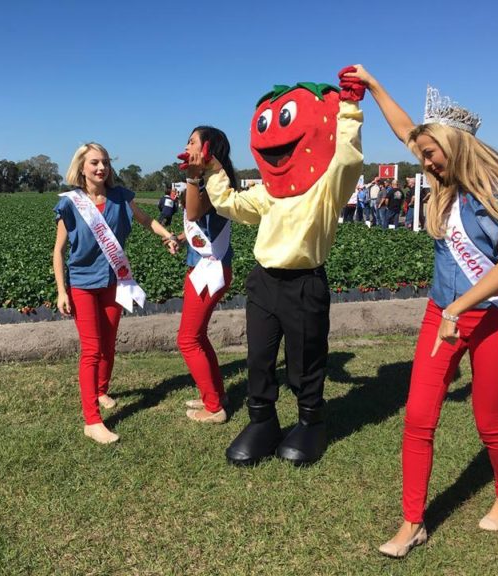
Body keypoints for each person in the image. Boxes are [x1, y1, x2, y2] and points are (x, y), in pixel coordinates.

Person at [342, 66, 498, 558]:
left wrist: (459, 306)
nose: (425, 164)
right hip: (443, 316)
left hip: (492, 317)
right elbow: (404, 126)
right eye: (423, 154)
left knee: (490, 422)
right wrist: (374, 86)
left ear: (454, 145)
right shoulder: (444, 178)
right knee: (418, 417)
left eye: (430, 154)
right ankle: (413, 522)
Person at [186, 71, 364, 467]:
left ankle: (309, 423)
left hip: (304, 282)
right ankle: (261, 421)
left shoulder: (326, 185)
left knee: (306, 361)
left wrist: (349, 109)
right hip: (264, 282)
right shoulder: (271, 190)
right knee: (259, 359)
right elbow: (232, 204)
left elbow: (348, 158)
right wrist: (212, 168)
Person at [53, 142, 178, 445]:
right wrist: (61, 291)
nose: (101, 168)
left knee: (109, 343)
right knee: (92, 349)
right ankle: (92, 420)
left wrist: (169, 236)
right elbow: (58, 251)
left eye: (105, 162)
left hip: (114, 281)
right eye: (94, 162)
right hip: (82, 284)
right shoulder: (71, 203)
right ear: (81, 167)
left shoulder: (121, 197)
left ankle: (101, 390)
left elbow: (147, 221)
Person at [175, 126, 236, 424]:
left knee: (187, 339)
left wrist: (192, 176)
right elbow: (200, 226)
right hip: (204, 265)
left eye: (192, 141)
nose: (186, 146)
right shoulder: (211, 179)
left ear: (209, 147)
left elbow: (196, 212)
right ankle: (214, 394)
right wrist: (181, 236)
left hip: (209, 270)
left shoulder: (214, 181)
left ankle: (214, 408)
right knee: (197, 336)